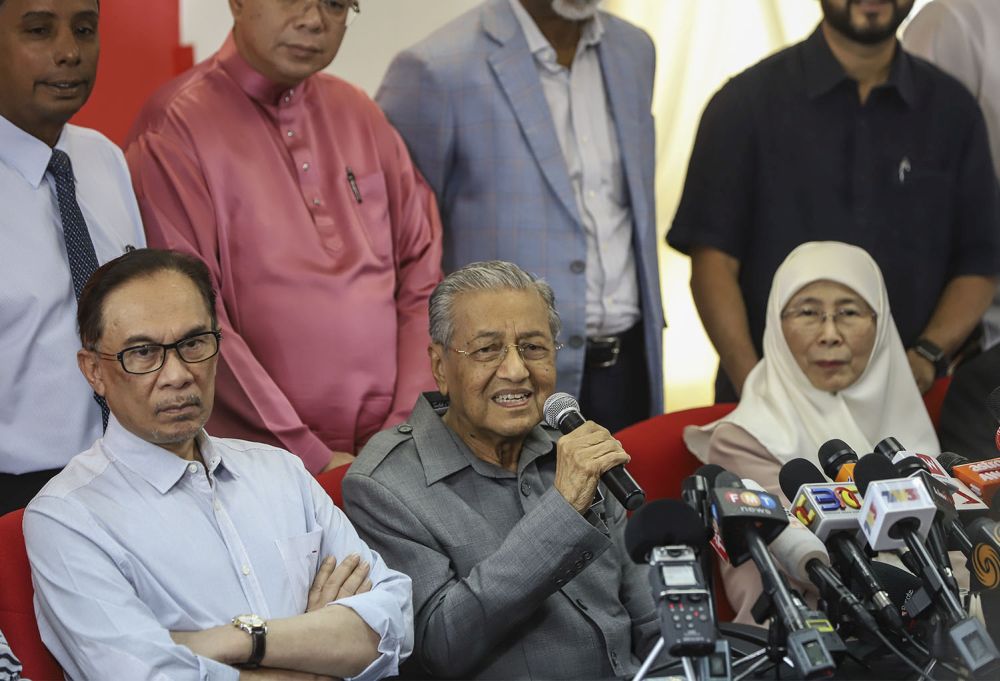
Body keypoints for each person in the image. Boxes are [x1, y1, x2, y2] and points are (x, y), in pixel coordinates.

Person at [24, 249, 413, 680]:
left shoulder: (280, 471)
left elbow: (393, 622)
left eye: (193, 344)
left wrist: (239, 639)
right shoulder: (67, 516)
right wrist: (318, 656)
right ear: (94, 371)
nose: (176, 375)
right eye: (143, 352)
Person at [124, 0, 443, 475]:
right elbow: (194, 318)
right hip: (261, 466)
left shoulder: (359, 113)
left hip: (396, 454)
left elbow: (422, 274)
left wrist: (406, 431)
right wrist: (307, 455)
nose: (314, 20)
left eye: (336, 5)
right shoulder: (175, 127)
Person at [342, 261, 662, 680]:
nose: (516, 370)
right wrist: (563, 511)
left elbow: (655, 625)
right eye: (487, 350)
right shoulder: (384, 487)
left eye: (533, 348)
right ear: (440, 367)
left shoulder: (571, 447)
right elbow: (438, 648)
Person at [669, 0, 1000, 403]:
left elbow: (981, 260)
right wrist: (754, 384)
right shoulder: (744, 105)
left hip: (913, 408)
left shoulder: (953, 110)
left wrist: (928, 355)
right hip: (768, 411)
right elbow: (713, 263)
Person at [377, 0, 664, 433]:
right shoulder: (437, 68)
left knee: (634, 498)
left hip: (630, 365)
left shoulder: (634, 49)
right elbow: (402, 248)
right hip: (506, 379)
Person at [683, 241, 940, 622]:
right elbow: (803, 562)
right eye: (808, 313)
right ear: (776, 323)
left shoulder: (905, 419)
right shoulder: (746, 438)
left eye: (849, 313)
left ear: (881, 322)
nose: (830, 334)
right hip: (811, 631)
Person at [0, 0, 145, 514]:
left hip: (132, 470)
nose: (68, 52)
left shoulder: (103, 158)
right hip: (19, 494)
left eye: (85, 30)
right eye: (38, 31)